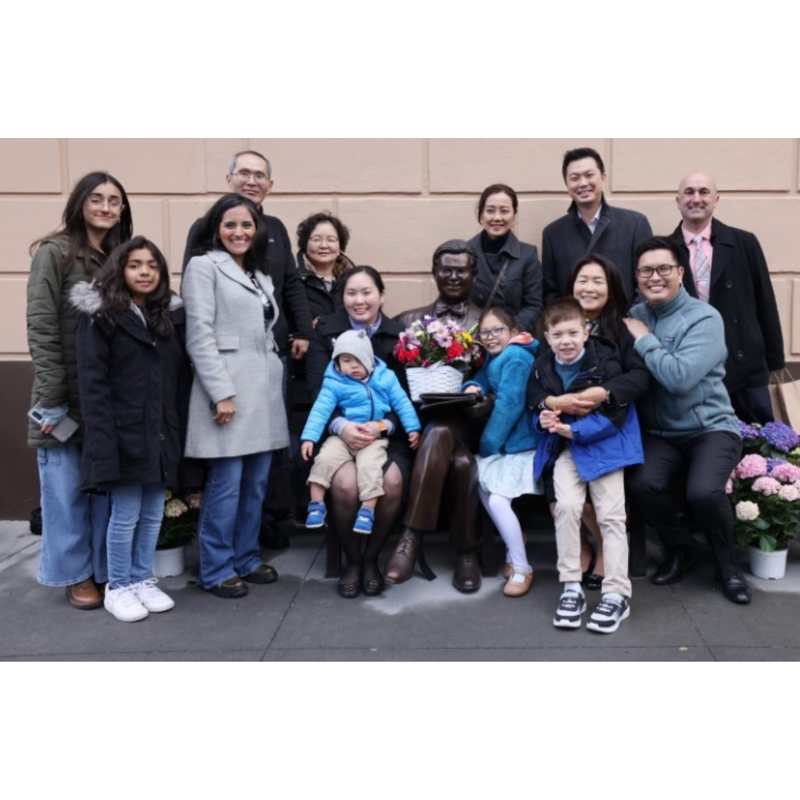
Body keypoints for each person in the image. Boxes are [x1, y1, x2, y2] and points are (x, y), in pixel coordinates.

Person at [26, 171, 133, 609]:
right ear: (80, 203)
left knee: (103, 490)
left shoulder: (123, 257)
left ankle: (104, 570)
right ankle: (75, 575)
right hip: (64, 398)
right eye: (97, 199)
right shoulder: (54, 254)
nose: (106, 207)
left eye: (114, 200)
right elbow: (42, 326)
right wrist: (53, 398)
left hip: (107, 398)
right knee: (65, 492)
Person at [624, 237, 750, 605]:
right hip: (660, 433)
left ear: (680, 272)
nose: (655, 276)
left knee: (703, 492)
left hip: (710, 427)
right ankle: (682, 548)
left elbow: (680, 379)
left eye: (664, 268)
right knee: (641, 482)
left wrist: (645, 341)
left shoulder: (704, 318)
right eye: (646, 270)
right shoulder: (636, 314)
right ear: (638, 276)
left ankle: (728, 567)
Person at [74, 237, 189, 621]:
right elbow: (94, 384)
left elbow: (174, 379)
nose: (144, 272)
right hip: (123, 432)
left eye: (152, 265)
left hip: (158, 431)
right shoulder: (103, 317)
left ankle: (142, 578)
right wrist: (104, 437)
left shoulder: (165, 317)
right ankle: (118, 585)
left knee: (154, 511)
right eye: (135, 264)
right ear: (120, 270)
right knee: (124, 514)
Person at [182, 193, 289, 599]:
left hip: (262, 392)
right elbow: (200, 334)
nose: (239, 232)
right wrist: (220, 393)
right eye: (230, 224)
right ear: (216, 229)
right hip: (228, 391)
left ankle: (245, 557)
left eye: (246, 225)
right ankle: (215, 567)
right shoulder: (203, 267)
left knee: (256, 483)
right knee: (226, 484)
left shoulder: (260, 274)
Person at [530, 298, 643, 633]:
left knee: (611, 516)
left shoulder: (605, 362)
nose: (566, 340)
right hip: (566, 448)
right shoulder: (542, 366)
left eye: (572, 332)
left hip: (606, 447)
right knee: (564, 506)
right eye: (558, 334)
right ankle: (570, 586)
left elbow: (617, 414)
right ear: (547, 338)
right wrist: (545, 418)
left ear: (586, 331)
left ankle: (617, 593)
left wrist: (574, 429)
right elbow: (533, 405)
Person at [305, 266, 410, 598]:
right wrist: (342, 426)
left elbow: (405, 397)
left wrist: (384, 426)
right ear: (342, 297)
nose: (359, 300)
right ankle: (352, 559)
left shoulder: (399, 336)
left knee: (391, 483)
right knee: (347, 484)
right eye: (351, 293)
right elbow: (318, 393)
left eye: (367, 292)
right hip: (338, 433)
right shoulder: (325, 332)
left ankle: (371, 558)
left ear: (381, 295)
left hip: (385, 435)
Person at [387, 240, 484, 593]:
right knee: (459, 463)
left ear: (474, 274)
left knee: (447, 431)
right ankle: (467, 554)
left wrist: (483, 402)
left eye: (462, 269)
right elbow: (390, 386)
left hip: (473, 427)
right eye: (446, 269)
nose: (454, 276)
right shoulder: (408, 321)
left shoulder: (489, 321)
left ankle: (410, 537)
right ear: (434, 272)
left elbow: (506, 379)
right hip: (420, 430)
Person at [563, 255, 650, 587]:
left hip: (611, 424)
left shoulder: (623, 329)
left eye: (598, 281)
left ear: (611, 288)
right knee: (559, 492)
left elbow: (640, 377)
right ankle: (583, 546)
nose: (589, 287)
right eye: (582, 280)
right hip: (565, 425)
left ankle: (603, 553)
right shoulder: (557, 323)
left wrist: (605, 392)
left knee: (601, 494)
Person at [670, 172, 784, 424]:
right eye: (689, 192)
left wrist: (775, 361)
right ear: (678, 200)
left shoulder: (744, 242)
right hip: (691, 368)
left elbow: (766, 301)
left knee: (758, 447)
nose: (696, 198)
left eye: (704, 192)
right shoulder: (665, 249)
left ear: (716, 199)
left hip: (746, 367)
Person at [301, 330, 421, 535]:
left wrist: (413, 428)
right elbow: (321, 409)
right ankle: (316, 504)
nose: (353, 366)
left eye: (359, 360)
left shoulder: (386, 378)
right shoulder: (335, 382)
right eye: (346, 361)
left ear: (370, 360)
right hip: (343, 437)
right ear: (337, 362)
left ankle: (367, 510)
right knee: (325, 458)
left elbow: (402, 404)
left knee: (371, 466)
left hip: (373, 438)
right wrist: (309, 437)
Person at [461, 307, 540, 597]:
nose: (490, 336)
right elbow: (483, 376)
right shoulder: (498, 357)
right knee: (480, 484)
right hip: (508, 446)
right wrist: (472, 387)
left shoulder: (516, 357)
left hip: (522, 446)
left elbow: (508, 407)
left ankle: (522, 567)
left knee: (495, 501)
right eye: (485, 332)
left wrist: (487, 446)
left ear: (513, 332)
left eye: (497, 330)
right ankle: (515, 540)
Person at [289, 212, 354, 515]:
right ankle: (307, 511)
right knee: (306, 442)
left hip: (347, 377)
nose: (324, 245)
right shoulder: (293, 279)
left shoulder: (351, 281)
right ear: (304, 244)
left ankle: (338, 509)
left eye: (331, 239)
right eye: (316, 239)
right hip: (302, 374)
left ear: (340, 246)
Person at [542, 147, 652, 306]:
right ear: (567, 184)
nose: (583, 183)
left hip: (624, 325)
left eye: (589, 175)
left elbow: (645, 279)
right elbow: (550, 292)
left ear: (603, 177)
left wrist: (633, 320)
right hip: (575, 327)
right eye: (574, 178)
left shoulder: (634, 223)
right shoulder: (553, 234)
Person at [468, 184, 543, 334]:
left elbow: (534, 305)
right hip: (473, 340)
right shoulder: (465, 253)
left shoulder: (527, 254)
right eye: (490, 211)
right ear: (481, 215)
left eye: (504, 211)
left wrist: (509, 332)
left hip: (513, 340)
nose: (497, 217)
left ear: (514, 216)